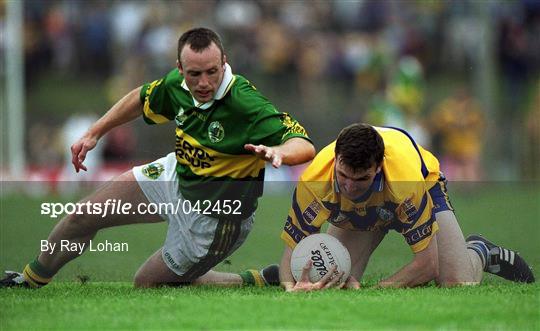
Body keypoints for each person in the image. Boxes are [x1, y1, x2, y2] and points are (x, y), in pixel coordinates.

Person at [1, 27, 315, 288]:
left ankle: (253, 280)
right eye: (194, 74)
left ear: (224, 63)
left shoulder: (246, 103)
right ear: (181, 70)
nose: (204, 83)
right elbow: (140, 98)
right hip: (175, 176)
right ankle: (29, 280)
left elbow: (302, 143)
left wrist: (279, 152)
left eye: (212, 72)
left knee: (146, 282)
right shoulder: (176, 85)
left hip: (216, 217)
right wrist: (94, 132)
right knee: (85, 213)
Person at [278, 123, 534, 292]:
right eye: (343, 176)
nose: (350, 187)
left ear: (378, 167)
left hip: (424, 186)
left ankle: (480, 250)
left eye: (361, 179)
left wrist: (376, 292)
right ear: (337, 161)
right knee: (335, 280)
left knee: (456, 281)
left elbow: (428, 263)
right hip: (360, 213)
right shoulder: (314, 181)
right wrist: (293, 286)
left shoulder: (407, 183)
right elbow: (290, 253)